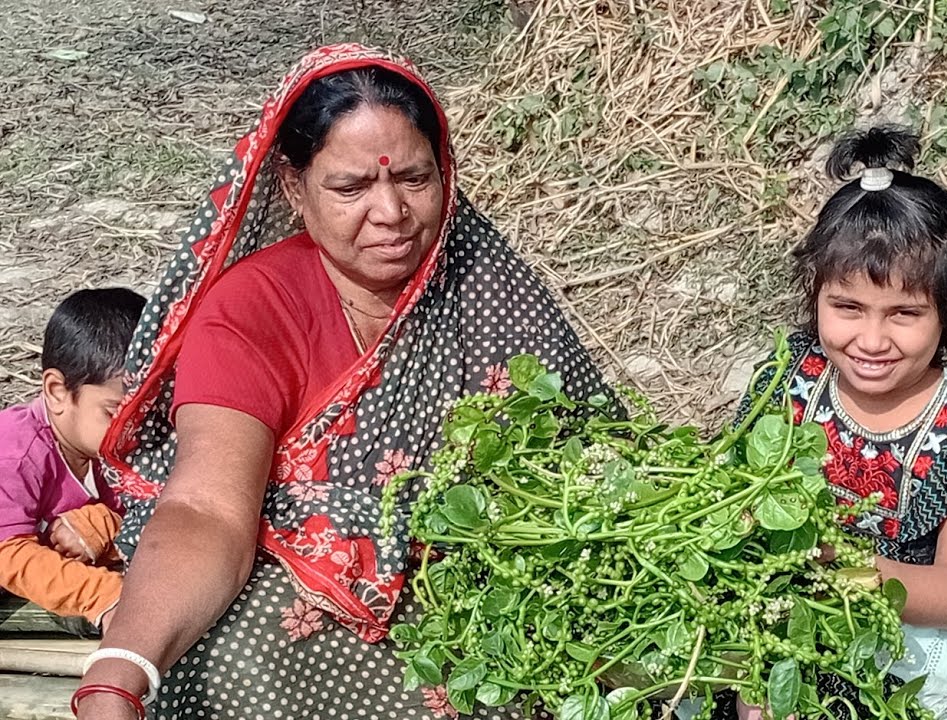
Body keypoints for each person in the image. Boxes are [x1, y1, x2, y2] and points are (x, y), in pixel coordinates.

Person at [75, 44, 610, 720]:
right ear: (294, 188)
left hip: (493, 596)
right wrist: (120, 672)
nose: (390, 212)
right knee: (234, 657)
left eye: (414, 178)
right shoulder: (255, 309)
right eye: (352, 187)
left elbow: (594, 457)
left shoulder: (486, 290)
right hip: (318, 607)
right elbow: (208, 508)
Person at [736, 126, 947, 720]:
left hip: (906, 657)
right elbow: (731, 481)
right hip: (783, 625)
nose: (871, 340)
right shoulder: (790, 378)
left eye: (904, 314)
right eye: (847, 308)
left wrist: (847, 568)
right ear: (816, 296)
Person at [0, 288, 144, 629]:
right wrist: (105, 595)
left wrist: (105, 524)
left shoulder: (107, 448)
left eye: (144, 414)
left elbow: (152, 511)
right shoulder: (14, 452)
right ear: (57, 392)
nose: (133, 432)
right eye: (114, 413)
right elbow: (8, 556)